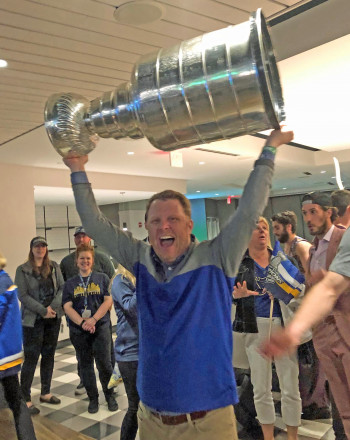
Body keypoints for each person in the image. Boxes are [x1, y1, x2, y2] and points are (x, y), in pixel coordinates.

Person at [63, 126, 293, 440]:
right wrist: (77, 167)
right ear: (146, 226)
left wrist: (269, 150)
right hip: (153, 420)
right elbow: (94, 223)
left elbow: (249, 208)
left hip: (209, 421)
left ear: (189, 224)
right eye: (156, 221)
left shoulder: (217, 257)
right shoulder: (139, 259)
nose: (164, 226)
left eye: (172, 219)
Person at [261, 191, 350, 438]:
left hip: (344, 329)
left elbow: (333, 287)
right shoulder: (314, 250)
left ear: (329, 212)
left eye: (314, 212)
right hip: (322, 331)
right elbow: (314, 288)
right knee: (342, 403)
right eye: (305, 213)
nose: (309, 219)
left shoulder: (342, 239)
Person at [233, 217, 301, 440]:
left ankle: (292, 436)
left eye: (265, 228)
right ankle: (268, 436)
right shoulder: (239, 264)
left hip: (283, 327)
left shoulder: (281, 260)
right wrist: (236, 296)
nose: (262, 231)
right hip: (254, 328)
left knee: (290, 386)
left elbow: (300, 290)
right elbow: (225, 294)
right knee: (260, 389)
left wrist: (283, 293)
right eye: (256, 228)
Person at [271, 210, 330, 420]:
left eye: (277, 228)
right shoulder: (286, 248)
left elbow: (311, 278)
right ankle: (308, 402)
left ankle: (316, 404)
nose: (274, 233)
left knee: (311, 363)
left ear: (288, 227)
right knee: (303, 363)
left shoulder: (301, 246)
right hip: (294, 311)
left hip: (307, 313)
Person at [62, 243, 118, 414]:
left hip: (100, 327)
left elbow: (108, 301)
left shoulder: (102, 278)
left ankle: (109, 396)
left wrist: (93, 320)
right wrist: (82, 323)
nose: (85, 261)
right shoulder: (70, 283)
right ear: (76, 262)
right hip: (79, 330)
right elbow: (67, 306)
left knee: (105, 364)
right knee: (85, 365)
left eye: (88, 258)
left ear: (92, 260)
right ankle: (93, 399)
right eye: (81, 259)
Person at [15, 236, 64, 416]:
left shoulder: (54, 267)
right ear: (32, 249)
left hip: (53, 317)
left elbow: (62, 288)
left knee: (49, 355)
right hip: (33, 320)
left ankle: (45, 392)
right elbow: (23, 295)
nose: (40, 249)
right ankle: (24, 397)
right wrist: (43, 310)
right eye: (37, 246)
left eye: (43, 246)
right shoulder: (23, 270)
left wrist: (52, 308)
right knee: (31, 357)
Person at [0, 252, 37, 440]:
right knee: (16, 401)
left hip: (2, 354)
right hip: (9, 354)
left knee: (15, 401)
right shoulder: (5, 279)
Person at [111, 264, 139, 440]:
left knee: (150, 406)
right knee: (135, 406)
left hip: (148, 351)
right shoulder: (120, 281)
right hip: (130, 353)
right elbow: (131, 308)